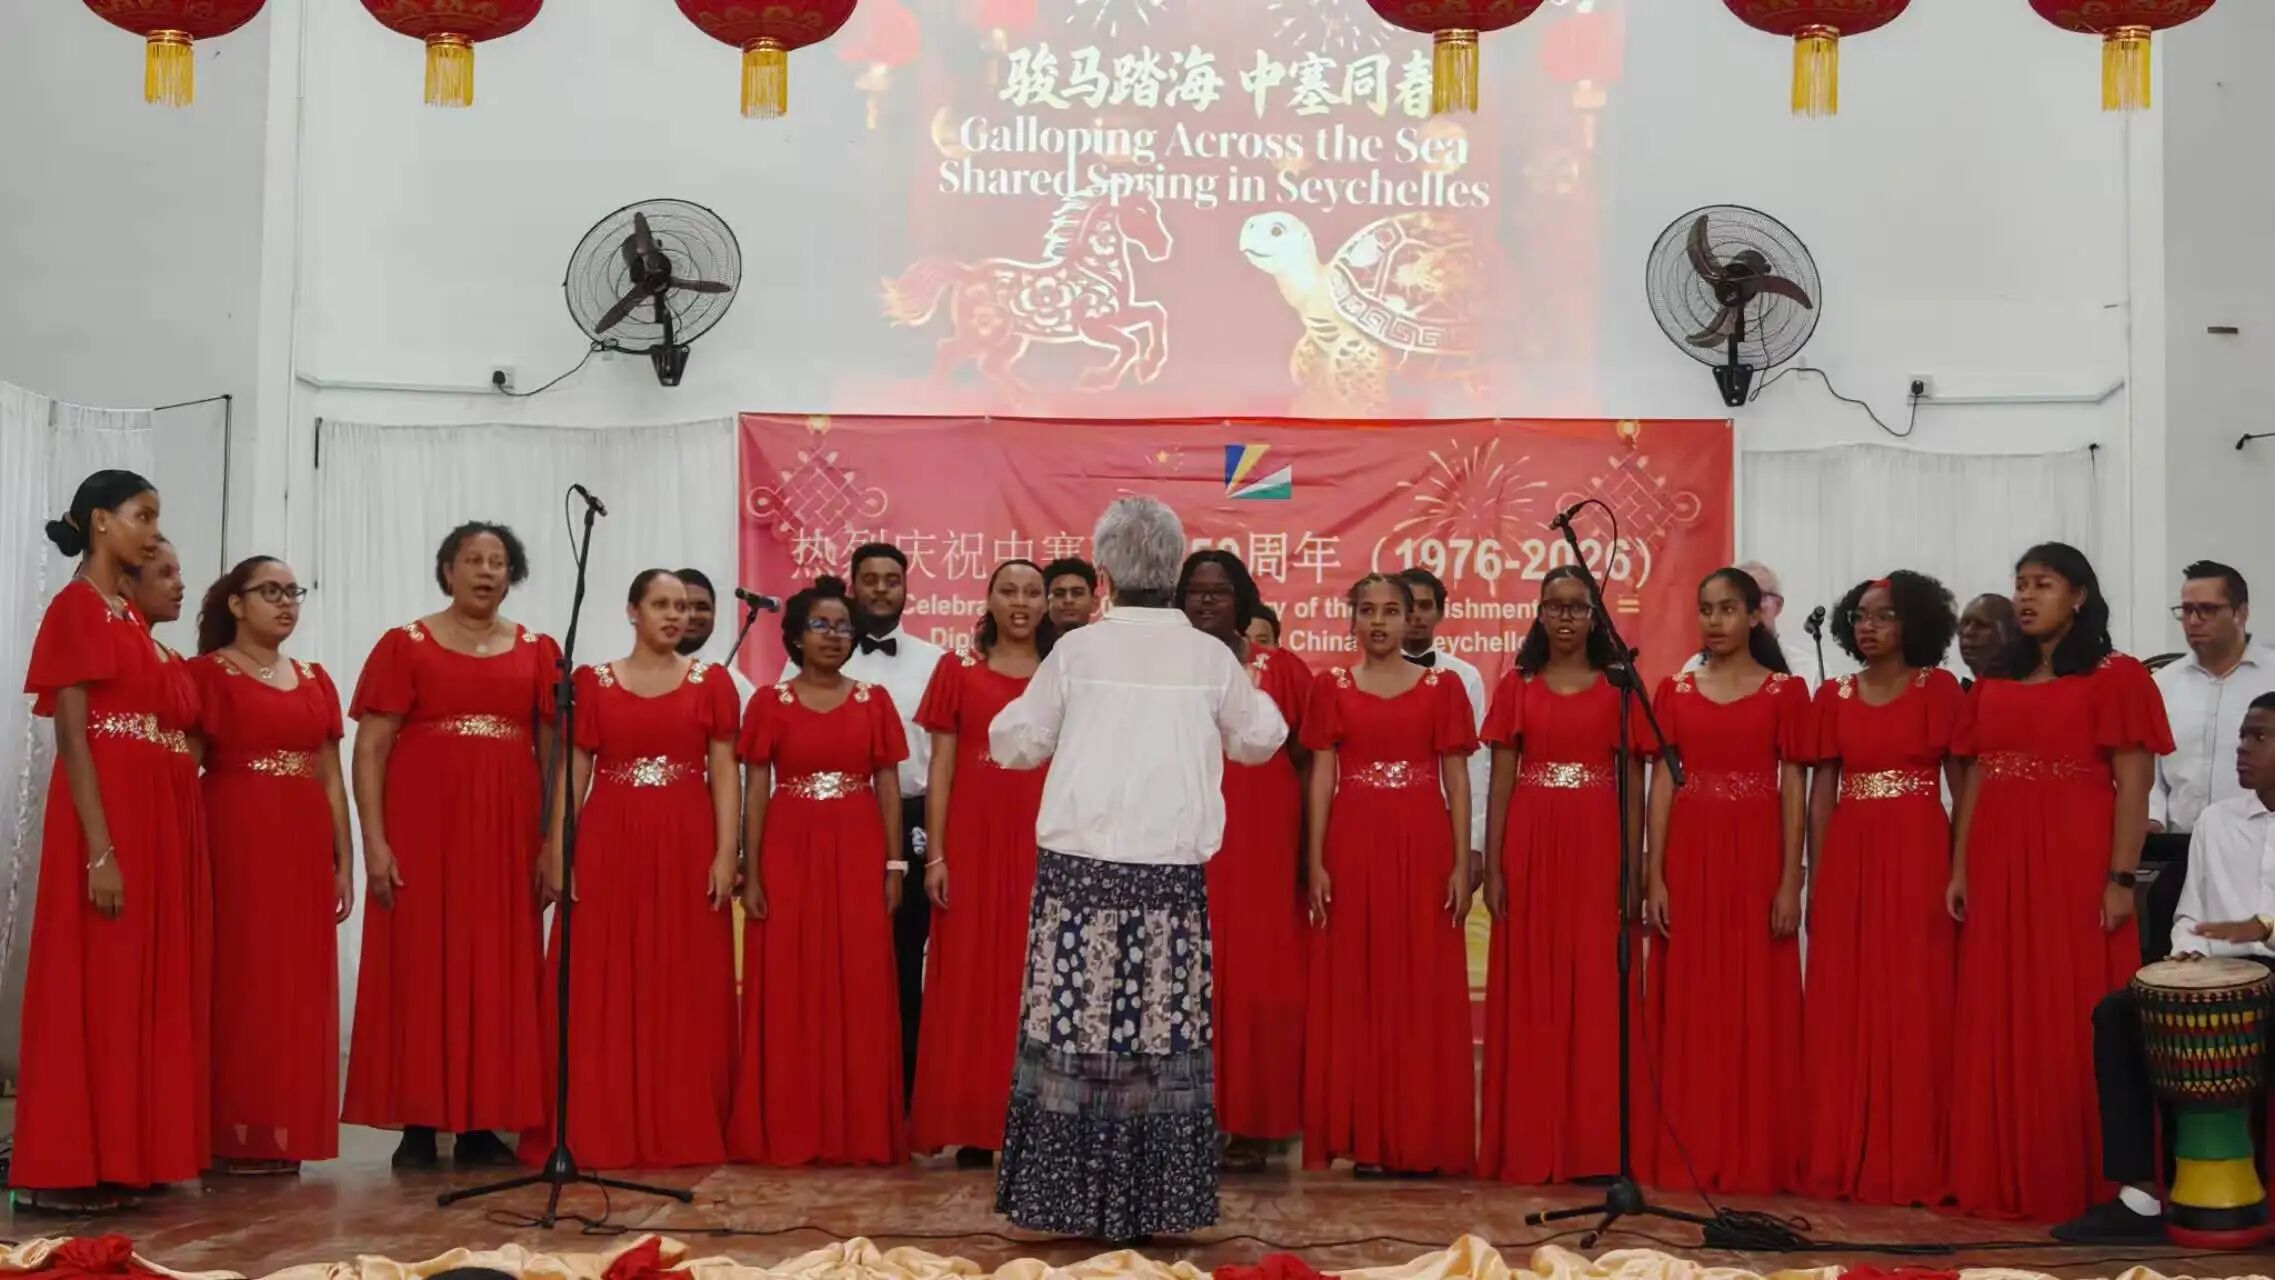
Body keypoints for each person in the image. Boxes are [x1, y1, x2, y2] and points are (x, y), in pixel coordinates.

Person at [989, 496, 1288, 1240]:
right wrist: (1241, 669)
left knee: (1076, 1029)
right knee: (1159, 1036)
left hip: (1079, 875)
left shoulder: (1077, 651)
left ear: (1105, 573)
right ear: (1174, 570)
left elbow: (1015, 743)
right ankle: (1155, 1200)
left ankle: (1067, 1196)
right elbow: (1260, 739)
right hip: (1166, 880)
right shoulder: (1209, 657)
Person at [1947, 542, 2172, 1223]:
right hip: (1996, 859)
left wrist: (2119, 878)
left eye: (2041, 584)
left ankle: (2089, 1176)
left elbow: (2134, 783)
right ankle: (2004, 1168)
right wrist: (1959, 866)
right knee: (2000, 1006)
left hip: (2074, 860)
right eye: (2019, 584)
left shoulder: (2116, 675)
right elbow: (1976, 777)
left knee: (2071, 1010)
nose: (2025, 596)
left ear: (2078, 596)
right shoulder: (1995, 678)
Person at [11, 471, 206, 1213]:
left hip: (145, 812)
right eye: (142, 516)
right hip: (104, 815)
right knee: (88, 983)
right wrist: (100, 850)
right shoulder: (76, 608)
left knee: (129, 988)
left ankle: (121, 1155)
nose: (153, 533)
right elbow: (73, 737)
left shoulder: (124, 615)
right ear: (100, 521)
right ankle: (62, 1169)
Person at [344, 521, 557, 1170]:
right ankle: (419, 1121)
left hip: (506, 833)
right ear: (447, 570)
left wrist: (553, 841)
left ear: (512, 575)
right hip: (422, 829)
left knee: (498, 968)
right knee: (419, 965)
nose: (486, 571)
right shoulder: (404, 645)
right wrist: (374, 842)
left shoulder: (539, 651)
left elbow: (554, 758)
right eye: (473, 560)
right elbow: (370, 749)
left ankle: (481, 1123)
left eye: (498, 562)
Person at [521, 569, 740, 1170]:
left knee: (684, 977)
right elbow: (575, 770)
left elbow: (724, 770)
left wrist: (726, 851)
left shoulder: (712, 682)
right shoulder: (592, 682)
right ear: (632, 611)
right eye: (662, 604)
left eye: (684, 607)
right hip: (609, 838)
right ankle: (600, 1121)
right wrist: (560, 848)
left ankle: (679, 1123)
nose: (676, 616)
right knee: (601, 977)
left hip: (687, 838)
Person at [2052, 693, 2275, 1244]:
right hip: (2218, 973)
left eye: (2260, 737)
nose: (2242, 749)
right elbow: (2190, 913)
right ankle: (2141, 1196)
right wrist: (2186, 954)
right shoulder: (2217, 821)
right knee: (2116, 1013)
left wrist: (2262, 929)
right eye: (2242, 735)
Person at [1641, 567, 1809, 1194]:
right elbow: (1663, 783)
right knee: (1691, 1000)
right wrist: (1654, 874)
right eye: (1705, 609)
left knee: (1754, 999)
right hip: (1690, 856)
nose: (1714, 622)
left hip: (1756, 856)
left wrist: (1790, 879)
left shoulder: (1785, 693)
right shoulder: (1675, 690)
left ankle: (1753, 1147)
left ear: (1755, 615)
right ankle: (1689, 1143)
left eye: (1728, 609)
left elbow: (1794, 787)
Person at [1303, 572, 1478, 1179]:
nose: (1378, 622)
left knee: (1420, 982)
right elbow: (1321, 776)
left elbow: (1457, 779)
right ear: (1351, 619)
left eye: (1390, 611)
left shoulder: (1443, 687)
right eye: (1367, 610)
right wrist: (1315, 860)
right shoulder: (1330, 686)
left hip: (1423, 842)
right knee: (1357, 983)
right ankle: (1364, 1135)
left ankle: (1419, 1133)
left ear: (1411, 620)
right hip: (1352, 843)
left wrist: (1462, 863)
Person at [1798, 572, 1965, 1205]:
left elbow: (1964, 787)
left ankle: (1913, 1154)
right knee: (1847, 998)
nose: (1868, 627)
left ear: (1914, 623)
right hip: (1850, 851)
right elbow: (1821, 795)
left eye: (1885, 616)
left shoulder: (1938, 689)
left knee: (1915, 996)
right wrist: (1816, 876)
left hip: (1919, 848)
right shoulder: (1833, 695)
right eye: (1861, 617)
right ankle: (1845, 1149)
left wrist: (1961, 868)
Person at [1477, 565, 1644, 1186]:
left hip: (1598, 841)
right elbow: (1500, 784)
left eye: (1577, 607)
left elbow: (1633, 785)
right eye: (1555, 606)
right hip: (1532, 842)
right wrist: (1496, 865)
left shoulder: (1619, 687)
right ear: (1540, 613)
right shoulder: (1517, 685)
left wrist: (1633, 867)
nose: (1566, 617)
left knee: (1597, 987)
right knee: (1534, 986)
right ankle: (1531, 1139)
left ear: (1596, 615)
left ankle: (1593, 1146)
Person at [733, 576, 910, 1166]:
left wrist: (894, 866)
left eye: (842, 627)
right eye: (820, 625)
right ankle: (789, 1124)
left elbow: (888, 787)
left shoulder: (874, 701)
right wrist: (753, 870)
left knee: (861, 983)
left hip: (859, 849)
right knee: (789, 983)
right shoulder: (768, 702)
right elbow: (756, 791)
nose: (834, 636)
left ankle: (859, 1129)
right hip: (788, 850)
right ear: (795, 636)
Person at [190, 557, 351, 1176]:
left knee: (294, 986)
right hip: (231, 836)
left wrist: (344, 861)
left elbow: (331, 779)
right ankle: (225, 1133)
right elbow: (184, 769)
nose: (286, 603)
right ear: (236, 604)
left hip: (302, 844)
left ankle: (282, 1131)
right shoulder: (205, 674)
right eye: (270, 592)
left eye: (293, 592)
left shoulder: (314, 679)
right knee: (238, 981)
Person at [782, 542, 943, 1097]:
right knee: (824, 956)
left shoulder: (935, 662)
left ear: (906, 589)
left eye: (891, 579)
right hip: (823, 821)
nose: (880, 589)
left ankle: (896, 1089)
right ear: (853, 585)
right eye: (869, 579)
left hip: (912, 818)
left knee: (901, 954)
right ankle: (823, 1081)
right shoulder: (813, 653)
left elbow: (942, 756)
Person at [909, 560, 1053, 1168]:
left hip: (1044, 839)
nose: (1020, 602)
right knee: (968, 974)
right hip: (971, 839)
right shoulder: (957, 670)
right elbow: (941, 767)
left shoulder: (1061, 673)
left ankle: (1036, 1122)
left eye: (1032, 592)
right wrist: (937, 854)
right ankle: (971, 1122)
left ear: (1046, 604)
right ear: (989, 599)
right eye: (1008, 591)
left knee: (1038, 978)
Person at [1175, 549, 1311, 1172]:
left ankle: (1258, 1121)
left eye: (1220, 591)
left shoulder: (1281, 669)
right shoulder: (1164, 668)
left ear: (1243, 601)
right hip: (1184, 831)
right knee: (1187, 974)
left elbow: (1308, 759)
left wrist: (1309, 847)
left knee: (1261, 977)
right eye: (1196, 591)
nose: (1207, 601)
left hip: (1264, 837)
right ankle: (1188, 1119)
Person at [2152, 562, 2275, 836]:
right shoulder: (2161, 684)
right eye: (2187, 610)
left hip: (2259, 842)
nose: (2194, 620)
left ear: (2240, 613)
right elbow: (2148, 769)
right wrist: (2152, 818)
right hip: (2176, 843)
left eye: (2207, 609)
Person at [1396, 568, 1487, 877]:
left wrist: (1474, 843)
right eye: (1408, 606)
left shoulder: (1465, 677)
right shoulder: (1363, 677)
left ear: (1440, 613)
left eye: (1425, 606)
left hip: (1446, 820)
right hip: (1377, 814)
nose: (1416, 615)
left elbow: (1476, 764)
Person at [1681, 561, 1818, 692]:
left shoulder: (1808, 671)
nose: (1748, 608)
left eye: (1758, 596)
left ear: (1778, 605)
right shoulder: (1695, 667)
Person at [674, 566, 758, 705]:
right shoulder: (639, 672)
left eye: (702, 607)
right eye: (682, 606)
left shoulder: (733, 684)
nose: (692, 615)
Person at [1958, 594, 2019, 689]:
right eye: (1965, 623)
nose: (1967, 632)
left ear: (2010, 633)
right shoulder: (1957, 694)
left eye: (1981, 625)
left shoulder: (2030, 693)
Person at [1043, 556, 1100, 632]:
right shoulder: (1032, 639)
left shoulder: (1109, 639)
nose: (1068, 600)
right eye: (1059, 594)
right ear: (1046, 603)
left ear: (1094, 603)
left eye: (1077, 593)